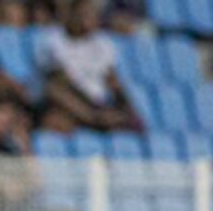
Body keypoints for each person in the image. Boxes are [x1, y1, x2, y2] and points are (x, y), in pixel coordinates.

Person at [36, 0, 142, 133]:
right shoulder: (53, 40)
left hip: (98, 104)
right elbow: (60, 83)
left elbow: (113, 81)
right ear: (72, 14)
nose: (89, 18)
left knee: (130, 122)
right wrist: (92, 113)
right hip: (70, 105)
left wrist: (126, 109)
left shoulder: (104, 44)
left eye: (93, 14)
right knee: (56, 103)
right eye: (84, 14)